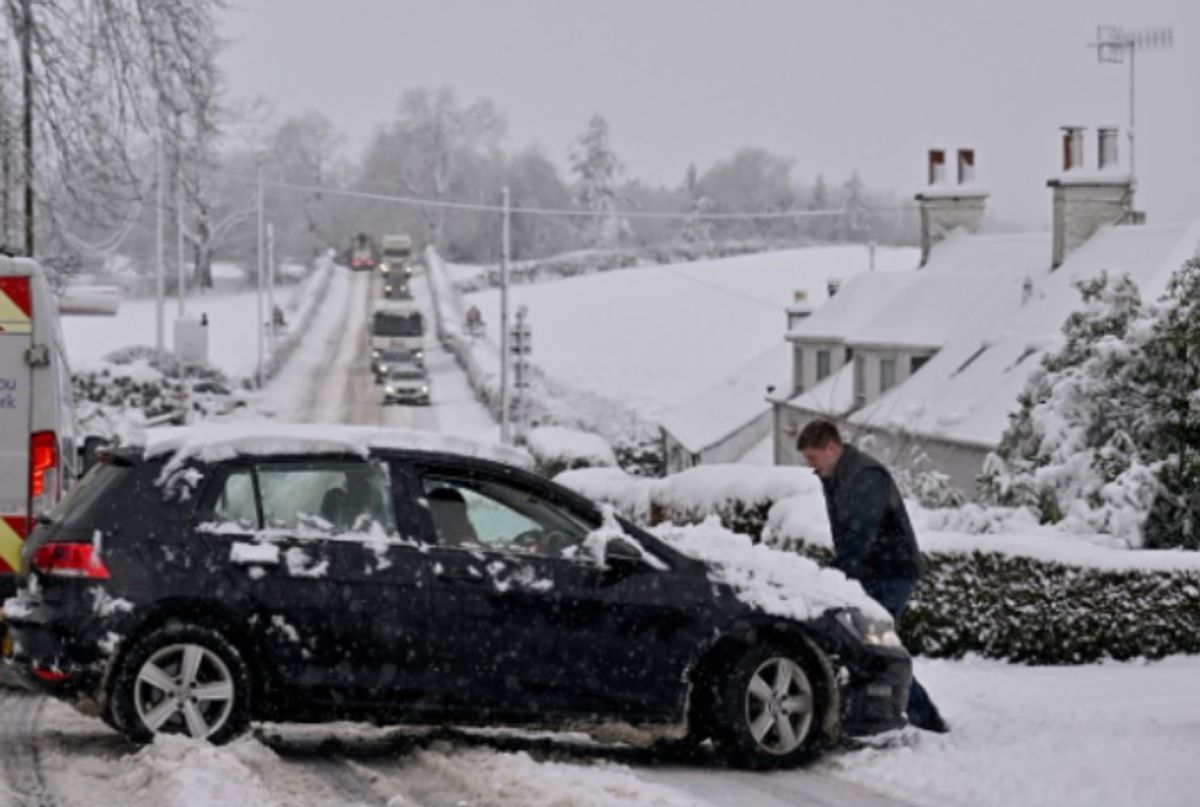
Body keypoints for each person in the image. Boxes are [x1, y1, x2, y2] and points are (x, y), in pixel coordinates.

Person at [796, 419, 949, 734]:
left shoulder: (866, 475)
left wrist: (834, 574)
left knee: (876, 644)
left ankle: (922, 718)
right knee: (870, 643)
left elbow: (862, 534)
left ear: (832, 447)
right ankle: (895, 713)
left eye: (813, 457)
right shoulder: (835, 475)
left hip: (892, 573)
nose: (810, 465)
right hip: (870, 571)